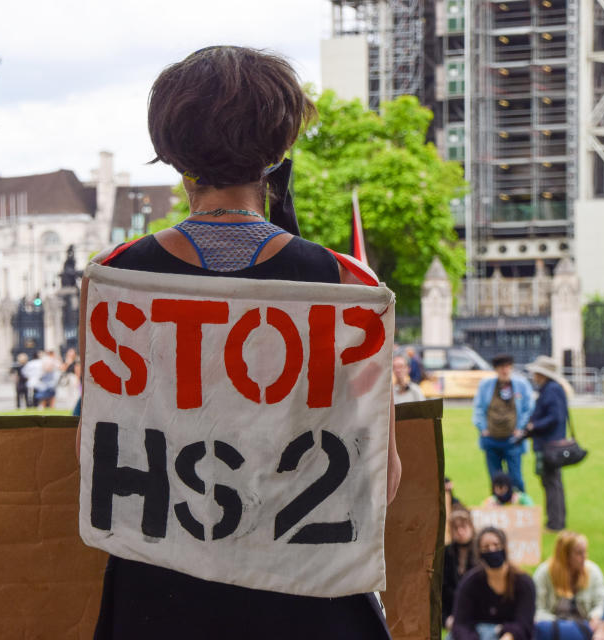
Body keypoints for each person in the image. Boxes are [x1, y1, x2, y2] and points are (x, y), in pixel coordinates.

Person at [81, 45, 400, 638]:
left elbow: (100, 447)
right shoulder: (347, 285)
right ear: (280, 151)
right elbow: (384, 475)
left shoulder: (113, 280)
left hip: (160, 599)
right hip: (309, 598)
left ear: (172, 154)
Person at [451, 526, 536, 640]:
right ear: (479, 553)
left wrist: (509, 636)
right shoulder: (470, 583)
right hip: (476, 634)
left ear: (505, 547)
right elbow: (461, 623)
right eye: (486, 547)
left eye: (496, 545)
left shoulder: (524, 583)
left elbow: (524, 623)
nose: (492, 550)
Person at [515, 355, 569, 532]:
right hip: (550, 444)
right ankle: (556, 521)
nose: (533, 376)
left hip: (549, 446)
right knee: (553, 483)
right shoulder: (552, 389)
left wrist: (534, 426)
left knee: (551, 483)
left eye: (536, 373)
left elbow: (555, 417)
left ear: (543, 374)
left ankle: (555, 523)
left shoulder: (551, 390)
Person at [473, 354, 535, 494]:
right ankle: (497, 510)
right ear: (496, 369)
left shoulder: (521, 385)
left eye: (507, 367)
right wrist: (483, 428)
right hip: (491, 439)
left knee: (516, 478)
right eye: (501, 367)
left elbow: (529, 408)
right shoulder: (486, 385)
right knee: (495, 480)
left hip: (512, 439)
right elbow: (478, 408)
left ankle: (521, 508)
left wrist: (520, 429)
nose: (505, 370)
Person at [532, 531, 604, 640]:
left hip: (585, 629)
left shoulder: (593, 571)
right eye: (579, 553)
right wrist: (562, 626)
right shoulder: (544, 574)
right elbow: (536, 610)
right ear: (565, 556)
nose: (584, 557)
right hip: (552, 630)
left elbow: (603, 603)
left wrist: (595, 616)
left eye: (585, 552)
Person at [443, 507, 479, 629]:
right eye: (455, 528)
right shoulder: (446, 554)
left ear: (471, 527)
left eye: (463, 527)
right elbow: (442, 589)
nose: (460, 531)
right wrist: (446, 618)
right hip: (452, 612)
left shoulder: (480, 552)